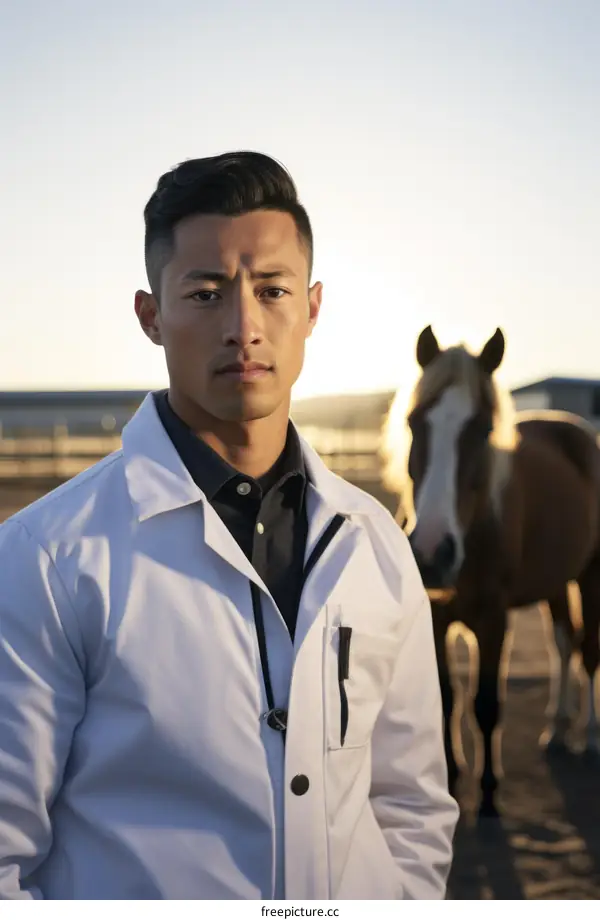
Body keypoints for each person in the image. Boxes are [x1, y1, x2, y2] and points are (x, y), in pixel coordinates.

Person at [0, 151, 458, 900]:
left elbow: (411, 805)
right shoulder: (47, 558)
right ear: (152, 317)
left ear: (311, 309)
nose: (244, 328)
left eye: (272, 291)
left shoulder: (375, 543)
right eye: (207, 294)